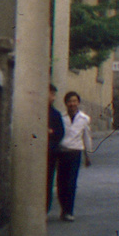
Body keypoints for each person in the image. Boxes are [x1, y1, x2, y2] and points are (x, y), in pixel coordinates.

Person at [56, 91, 92, 222]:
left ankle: (69, 211)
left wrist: (88, 155)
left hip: (75, 152)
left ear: (78, 103)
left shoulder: (84, 119)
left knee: (71, 182)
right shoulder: (61, 117)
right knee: (61, 183)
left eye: (75, 101)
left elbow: (86, 137)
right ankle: (63, 208)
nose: (72, 104)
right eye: (70, 101)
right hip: (62, 152)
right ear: (66, 103)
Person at [47, 84, 65, 214]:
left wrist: (51, 132)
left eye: (54, 95)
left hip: (50, 153)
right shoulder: (35, 111)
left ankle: (45, 209)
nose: (53, 98)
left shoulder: (55, 114)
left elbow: (60, 133)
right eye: (51, 94)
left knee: (48, 182)